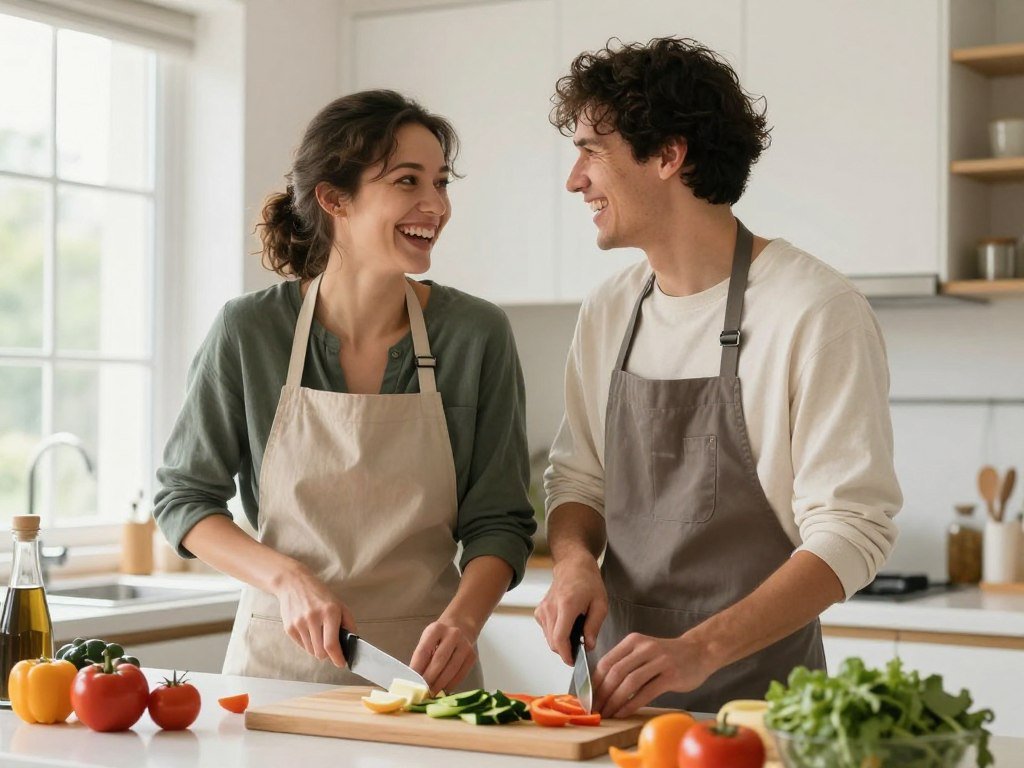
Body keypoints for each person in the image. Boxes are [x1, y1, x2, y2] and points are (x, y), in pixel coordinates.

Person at [535, 37, 902, 716]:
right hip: (613, 705)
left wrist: (699, 649)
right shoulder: (609, 310)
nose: (575, 179)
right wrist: (574, 561)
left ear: (667, 156)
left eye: (591, 151)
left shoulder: (815, 310)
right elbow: (578, 481)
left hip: (767, 712)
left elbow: (852, 530)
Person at [154, 90, 535, 694]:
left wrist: (464, 620)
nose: (436, 205)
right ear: (334, 199)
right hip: (280, 672)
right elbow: (184, 499)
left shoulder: (475, 333)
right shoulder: (250, 330)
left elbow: (500, 520)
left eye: (441, 183)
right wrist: (286, 580)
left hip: (427, 672)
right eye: (408, 181)